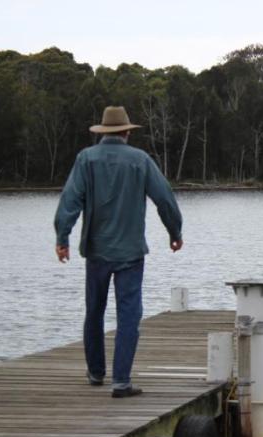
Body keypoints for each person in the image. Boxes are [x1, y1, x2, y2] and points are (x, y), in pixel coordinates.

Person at [54, 106, 183, 398]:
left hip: (96, 251)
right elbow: (164, 198)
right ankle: (121, 381)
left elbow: (70, 200)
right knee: (128, 316)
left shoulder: (86, 159)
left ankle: (96, 372)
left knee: (94, 312)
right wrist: (175, 232)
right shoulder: (140, 160)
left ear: (102, 132)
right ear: (126, 132)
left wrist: (62, 236)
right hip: (130, 254)